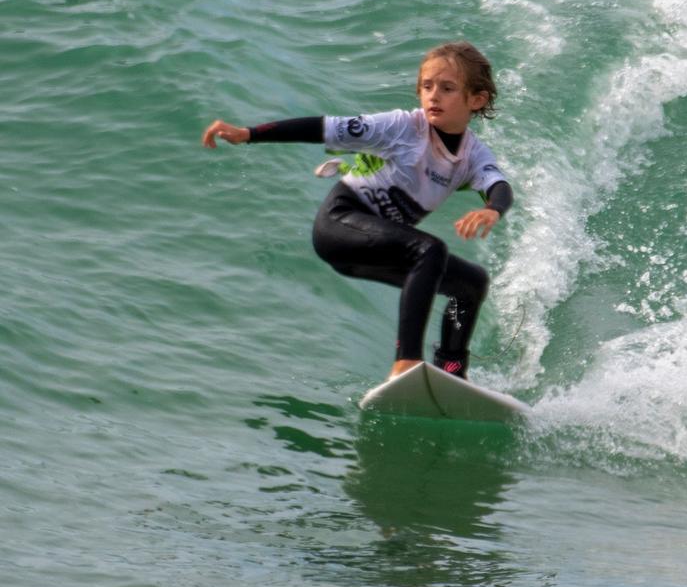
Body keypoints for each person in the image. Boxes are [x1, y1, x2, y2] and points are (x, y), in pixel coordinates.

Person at [201, 41, 512, 380]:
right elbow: (323, 127)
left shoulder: (473, 155)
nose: (433, 96)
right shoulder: (401, 127)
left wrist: (493, 209)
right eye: (426, 86)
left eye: (447, 88)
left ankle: (452, 373)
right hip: (340, 223)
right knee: (430, 250)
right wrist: (248, 134)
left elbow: (498, 186)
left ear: (476, 100)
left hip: (376, 249)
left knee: (471, 283)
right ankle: (405, 362)